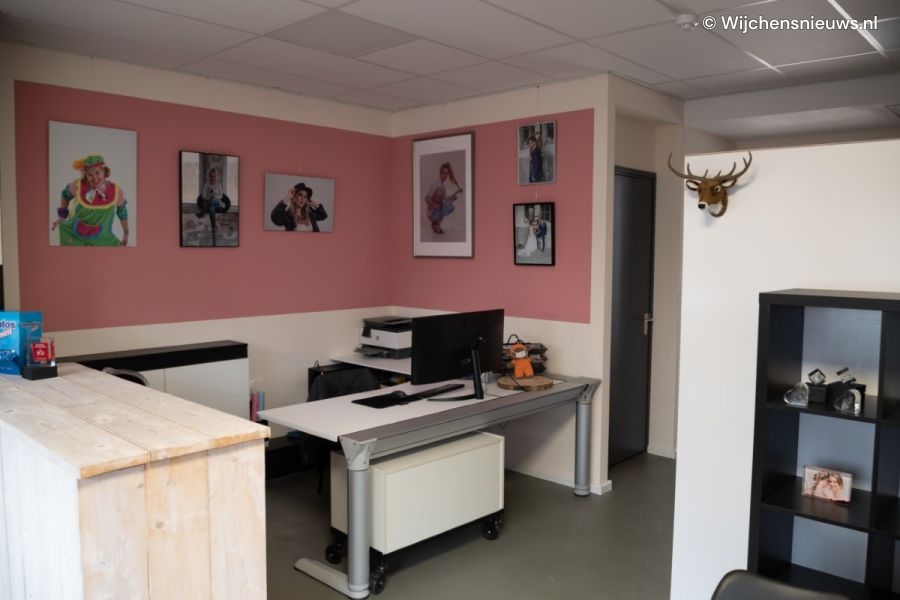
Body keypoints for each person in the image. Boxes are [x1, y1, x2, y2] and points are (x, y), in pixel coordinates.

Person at [52, 154, 129, 246]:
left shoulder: (115, 191)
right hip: (75, 237)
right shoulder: (78, 185)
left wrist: (126, 233)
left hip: (103, 240)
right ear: (85, 175)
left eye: (97, 173)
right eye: (90, 174)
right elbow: (65, 195)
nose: (94, 177)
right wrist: (62, 216)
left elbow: (122, 211)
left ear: (104, 172)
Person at [424, 162, 462, 234]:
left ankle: (435, 224)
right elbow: (427, 198)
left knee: (451, 206)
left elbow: (447, 199)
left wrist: (455, 194)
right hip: (432, 212)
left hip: (438, 211)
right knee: (448, 204)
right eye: (443, 172)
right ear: (440, 172)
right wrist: (435, 205)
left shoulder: (443, 186)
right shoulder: (435, 184)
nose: (445, 175)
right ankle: (436, 223)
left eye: (447, 173)